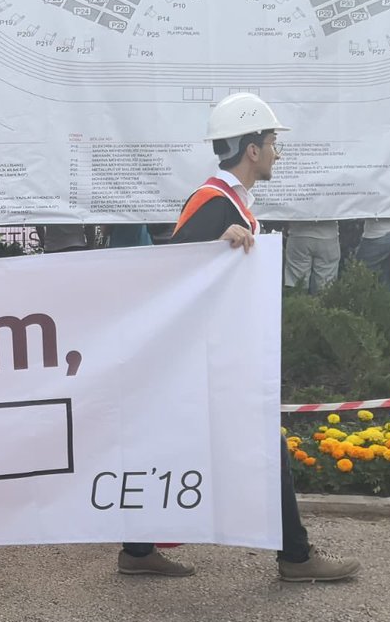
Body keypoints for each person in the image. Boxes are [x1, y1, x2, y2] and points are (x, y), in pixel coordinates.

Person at [119, 93, 360, 583]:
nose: (276, 153)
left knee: (178, 444)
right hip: (211, 359)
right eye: (272, 143)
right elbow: (171, 273)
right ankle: (296, 557)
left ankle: (138, 549)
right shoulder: (215, 204)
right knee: (267, 446)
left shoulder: (227, 202)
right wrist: (215, 246)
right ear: (252, 149)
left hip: (217, 354)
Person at [284, 221, 341, 293]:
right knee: (327, 283)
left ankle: (297, 298)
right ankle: (324, 298)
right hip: (328, 235)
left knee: (297, 281)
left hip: (299, 233)